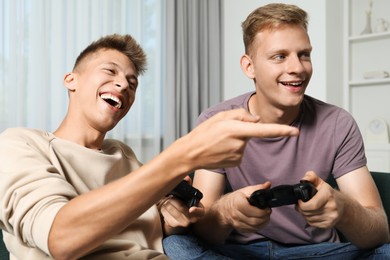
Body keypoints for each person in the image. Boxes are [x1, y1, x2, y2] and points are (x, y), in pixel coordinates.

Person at [0, 34, 299, 259]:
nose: (124, 86)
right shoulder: (20, 143)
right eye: (110, 71)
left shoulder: (124, 155)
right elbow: (60, 237)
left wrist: (175, 216)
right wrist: (183, 155)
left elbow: (153, 225)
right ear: (71, 80)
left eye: (132, 83)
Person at [162, 3, 390, 259]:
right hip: (240, 253)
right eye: (280, 56)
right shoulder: (216, 121)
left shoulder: (338, 123)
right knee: (177, 246)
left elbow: (379, 231)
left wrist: (344, 209)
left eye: (304, 54)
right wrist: (226, 212)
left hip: (318, 252)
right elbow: (205, 232)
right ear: (249, 67)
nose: (298, 68)